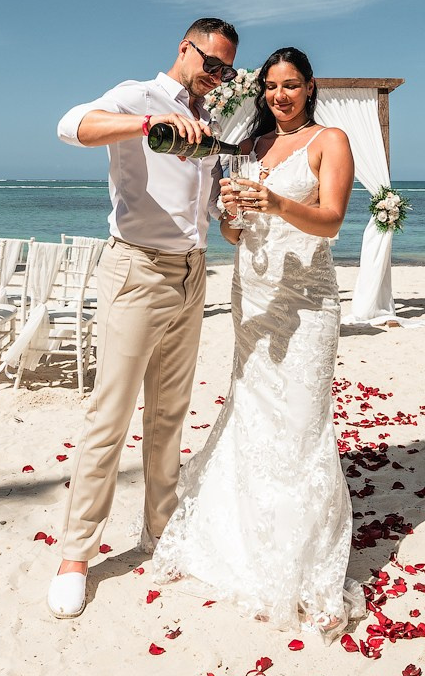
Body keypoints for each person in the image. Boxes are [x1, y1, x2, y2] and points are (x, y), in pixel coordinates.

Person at [148, 46, 361, 635]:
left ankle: (298, 558)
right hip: (254, 295)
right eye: (270, 87)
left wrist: (272, 200)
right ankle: (238, 540)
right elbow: (234, 232)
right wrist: (235, 215)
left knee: (300, 421)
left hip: (306, 303)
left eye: (290, 85)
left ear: (310, 87)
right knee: (251, 411)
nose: (279, 96)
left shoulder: (331, 141)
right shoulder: (253, 147)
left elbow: (332, 220)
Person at [46, 17, 239, 619]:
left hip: (192, 271)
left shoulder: (211, 123)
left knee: (170, 413)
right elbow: (70, 126)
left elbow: (205, 209)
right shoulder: (139, 96)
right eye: (211, 64)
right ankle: (76, 556)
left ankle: (160, 530)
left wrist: (231, 207)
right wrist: (148, 124)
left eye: (227, 71)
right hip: (136, 270)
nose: (217, 77)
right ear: (186, 49)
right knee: (110, 414)